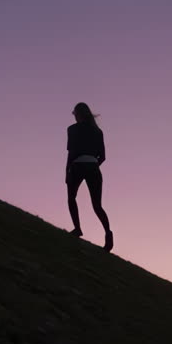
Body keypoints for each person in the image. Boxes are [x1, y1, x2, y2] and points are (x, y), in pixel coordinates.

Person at [66, 102, 113, 251]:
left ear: (78, 114)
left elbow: (71, 152)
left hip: (77, 165)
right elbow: (103, 157)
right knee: (97, 205)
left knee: (71, 197)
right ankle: (108, 234)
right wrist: (92, 165)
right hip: (93, 167)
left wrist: (67, 171)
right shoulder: (98, 131)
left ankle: (77, 228)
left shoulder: (72, 129)